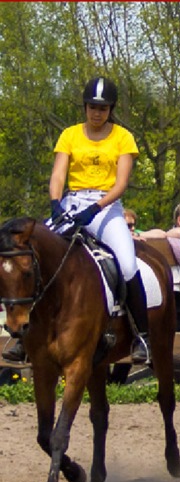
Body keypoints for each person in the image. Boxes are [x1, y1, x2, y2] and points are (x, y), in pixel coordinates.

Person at [3, 77, 149, 368]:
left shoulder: (123, 137)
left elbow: (121, 183)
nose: (97, 113)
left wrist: (96, 208)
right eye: (93, 107)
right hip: (71, 202)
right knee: (33, 255)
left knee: (128, 264)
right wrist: (55, 203)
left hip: (105, 206)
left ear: (111, 109)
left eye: (103, 108)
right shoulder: (70, 134)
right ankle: (23, 336)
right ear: (85, 107)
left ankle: (141, 335)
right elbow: (58, 174)